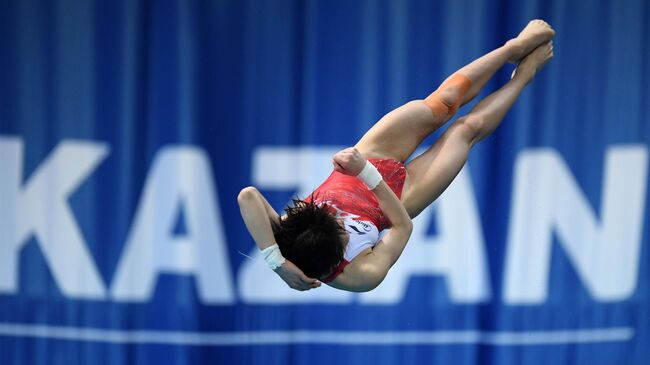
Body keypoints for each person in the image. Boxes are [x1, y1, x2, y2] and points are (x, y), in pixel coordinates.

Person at [238, 20, 555, 292]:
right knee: (464, 130)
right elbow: (403, 227)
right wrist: (365, 173)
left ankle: (512, 48)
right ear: (337, 259)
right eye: (342, 232)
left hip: (370, 155)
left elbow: (248, 197)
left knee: (441, 104)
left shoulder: (287, 239)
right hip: (396, 200)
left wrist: (276, 262)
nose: (340, 222)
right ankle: (523, 76)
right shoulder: (361, 276)